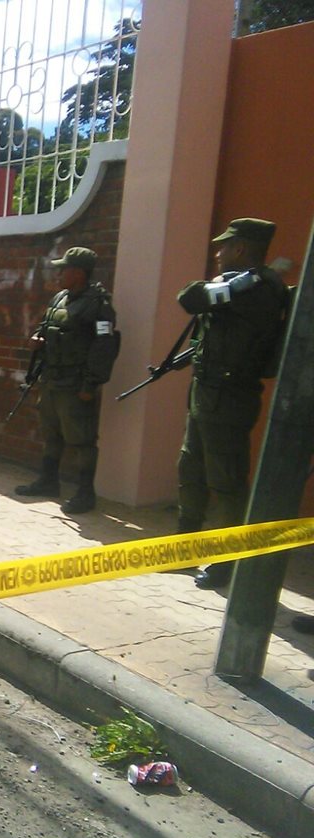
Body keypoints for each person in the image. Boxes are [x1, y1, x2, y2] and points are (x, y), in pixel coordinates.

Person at [175, 218, 289, 589]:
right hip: (207, 392)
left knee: (225, 481)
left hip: (229, 396)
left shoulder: (255, 289)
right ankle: (182, 548)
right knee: (191, 467)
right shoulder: (240, 286)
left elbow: (189, 298)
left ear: (241, 249)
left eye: (224, 247)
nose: (218, 252)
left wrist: (231, 283)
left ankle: (227, 561)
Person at [14, 246, 119, 514]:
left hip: (75, 384)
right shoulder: (60, 297)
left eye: (65, 269)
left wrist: (91, 384)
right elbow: (46, 324)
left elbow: (104, 346)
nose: (59, 273)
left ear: (80, 272)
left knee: (81, 439)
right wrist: (37, 338)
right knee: (51, 433)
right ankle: (48, 481)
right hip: (51, 378)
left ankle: (86, 493)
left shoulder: (99, 305)